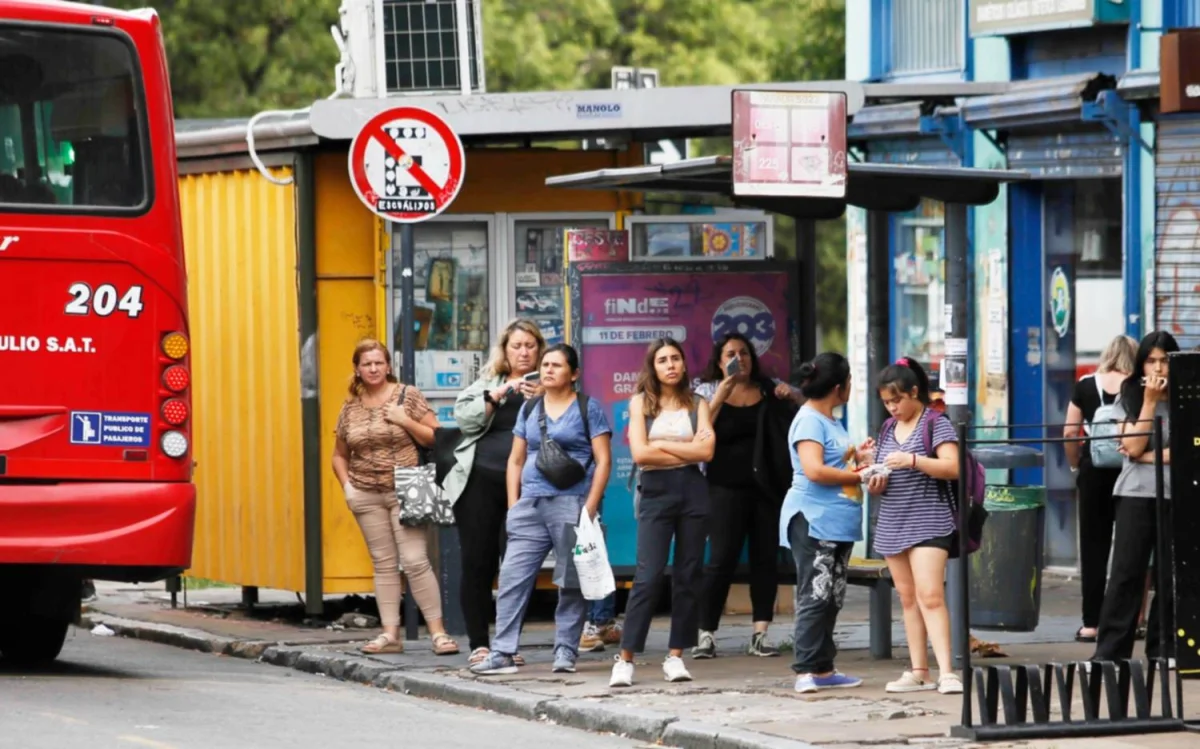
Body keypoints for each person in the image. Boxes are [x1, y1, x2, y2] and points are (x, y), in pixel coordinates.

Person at [471, 345, 612, 675]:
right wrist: (513, 505)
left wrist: (589, 507)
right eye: (545, 364)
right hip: (529, 505)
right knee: (512, 578)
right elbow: (516, 459)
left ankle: (565, 650)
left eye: (557, 366)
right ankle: (503, 652)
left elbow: (603, 460)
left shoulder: (587, 407)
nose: (548, 370)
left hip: (572, 502)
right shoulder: (530, 408)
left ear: (573, 374)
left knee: (570, 582)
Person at [332, 339, 459, 656]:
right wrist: (348, 488)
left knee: (415, 560)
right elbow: (339, 455)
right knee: (384, 564)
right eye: (366, 364)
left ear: (388, 366)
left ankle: (438, 633)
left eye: (378, 363)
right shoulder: (350, 407)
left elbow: (436, 436)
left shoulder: (407, 395)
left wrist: (404, 419)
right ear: (357, 369)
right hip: (365, 493)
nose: (373, 368)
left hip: (408, 487)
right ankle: (390, 635)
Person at [610, 338, 715, 687]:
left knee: (688, 573)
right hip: (656, 492)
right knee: (648, 575)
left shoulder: (697, 402)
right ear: (652, 367)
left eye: (675, 359)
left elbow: (708, 451)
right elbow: (640, 454)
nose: (670, 365)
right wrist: (688, 449)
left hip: (692, 491)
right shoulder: (641, 402)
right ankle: (626, 658)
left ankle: (675, 656)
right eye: (662, 360)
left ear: (684, 365)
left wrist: (664, 446)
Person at [691, 332, 798, 659]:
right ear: (720, 360)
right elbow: (699, 429)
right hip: (723, 487)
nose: (739, 358)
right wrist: (723, 390)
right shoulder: (707, 390)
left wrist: (790, 394)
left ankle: (760, 634)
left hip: (766, 487)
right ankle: (706, 634)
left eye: (745, 353)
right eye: (731, 354)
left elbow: (805, 406)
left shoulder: (768, 388)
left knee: (765, 559)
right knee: (721, 559)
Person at [446, 319, 546, 665]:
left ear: (539, 350)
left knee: (518, 566)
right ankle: (479, 644)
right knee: (477, 563)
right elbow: (464, 419)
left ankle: (508, 645)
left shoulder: (551, 386)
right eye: (516, 346)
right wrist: (497, 395)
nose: (523, 352)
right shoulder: (489, 382)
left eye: (530, 346)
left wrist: (544, 397)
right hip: (480, 483)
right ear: (505, 351)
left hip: (526, 487)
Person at [868, 357, 963, 695]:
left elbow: (953, 467)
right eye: (886, 402)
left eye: (897, 400)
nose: (892, 408)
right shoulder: (887, 429)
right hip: (894, 519)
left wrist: (913, 460)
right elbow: (883, 473)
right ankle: (919, 670)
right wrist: (875, 479)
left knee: (931, 595)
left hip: (929, 519)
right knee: (908, 598)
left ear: (913, 392)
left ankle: (948, 671)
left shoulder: (936, 423)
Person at [783, 352, 872, 694]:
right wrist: (861, 473)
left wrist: (857, 457)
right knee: (815, 592)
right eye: (849, 383)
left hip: (838, 520)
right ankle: (805, 668)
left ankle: (823, 667)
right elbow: (815, 470)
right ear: (839, 386)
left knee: (832, 595)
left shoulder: (831, 420)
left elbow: (834, 461)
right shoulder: (809, 420)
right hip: (814, 519)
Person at [1092, 331, 1180, 664]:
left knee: (1173, 575)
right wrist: (1149, 401)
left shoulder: (1186, 396)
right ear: (1141, 363)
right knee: (1127, 572)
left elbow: (1190, 449)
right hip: (1136, 493)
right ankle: (1111, 652)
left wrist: (1145, 456)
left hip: (1179, 492)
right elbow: (1132, 446)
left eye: (1164, 360)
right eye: (1151, 360)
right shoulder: (1129, 395)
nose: (1158, 368)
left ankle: (1165, 647)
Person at [1064, 335, 1137, 643]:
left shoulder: (1084, 385)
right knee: (1131, 549)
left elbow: (1069, 432)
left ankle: (1091, 623)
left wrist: (1075, 466)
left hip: (1093, 473)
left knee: (1094, 549)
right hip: (1131, 469)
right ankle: (1127, 621)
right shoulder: (1136, 386)